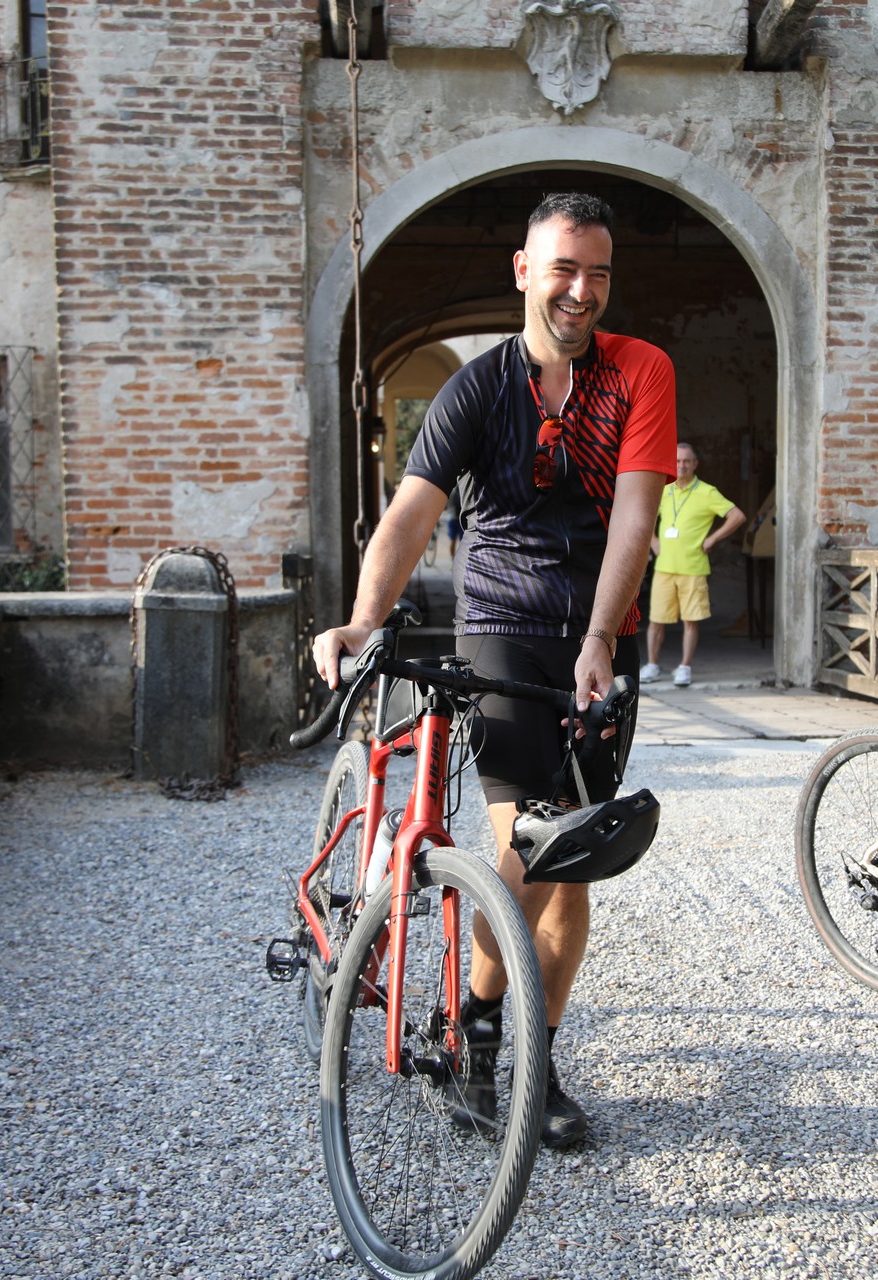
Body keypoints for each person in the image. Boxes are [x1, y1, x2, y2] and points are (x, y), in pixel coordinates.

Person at [310, 193, 676, 1147]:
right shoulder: (476, 390)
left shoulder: (640, 371)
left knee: (576, 865)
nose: (581, 291)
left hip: (598, 636)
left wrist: (601, 636)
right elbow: (412, 512)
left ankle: (535, 1063)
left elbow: (636, 516)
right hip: (504, 627)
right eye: (563, 269)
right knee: (529, 854)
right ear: (523, 271)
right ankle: (476, 1037)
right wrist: (363, 620)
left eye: (598, 274)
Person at [640, 442, 745, 686]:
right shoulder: (664, 489)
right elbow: (645, 514)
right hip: (664, 567)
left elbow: (737, 516)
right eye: (677, 461)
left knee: (690, 621)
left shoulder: (707, 492)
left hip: (693, 568)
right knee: (656, 620)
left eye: (687, 461)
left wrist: (713, 538)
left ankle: (685, 667)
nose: (681, 465)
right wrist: (652, 541)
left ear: (695, 464)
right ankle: (652, 665)